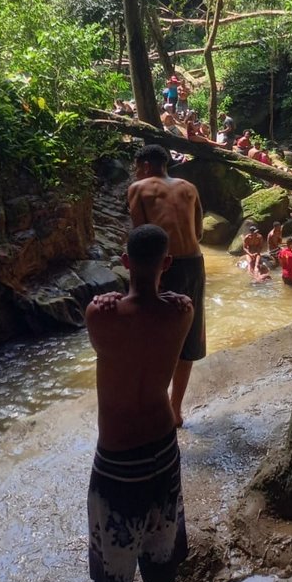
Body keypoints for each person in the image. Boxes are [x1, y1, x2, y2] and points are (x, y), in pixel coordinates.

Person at [85, 223, 192, 582]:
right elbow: (162, 303)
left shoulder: (101, 315)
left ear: (125, 261)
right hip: (162, 452)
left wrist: (108, 296)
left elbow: (117, 316)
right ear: (167, 262)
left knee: (110, 578)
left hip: (117, 463)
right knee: (160, 561)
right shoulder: (182, 312)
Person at [127, 145, 205, 428]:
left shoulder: (138, 188)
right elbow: (198, 232)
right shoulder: (189, 187)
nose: (136, 173)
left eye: (137, 167)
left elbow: (142, 238)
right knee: (189, 335)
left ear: (146, 165)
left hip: (162, 265)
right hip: (195, 263)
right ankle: (175, 410)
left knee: (156, 335)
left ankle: (153, 406)